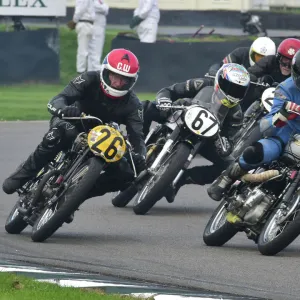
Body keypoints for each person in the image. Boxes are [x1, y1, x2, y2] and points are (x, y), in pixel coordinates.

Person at [3, 49, 146, 206]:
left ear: (132, 81)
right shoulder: (89, 78)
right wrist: (64, 109)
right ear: (105, 71)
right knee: (62, 134)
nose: (117, 83)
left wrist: (140, 158)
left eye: (124, 80)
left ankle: (76, 196)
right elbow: (59, 98)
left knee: (127, 174)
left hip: (102, 139)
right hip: (73, 121)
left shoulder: (134, 104)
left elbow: (137, 137)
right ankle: (24, 174)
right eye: (114, 76)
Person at [144, 63, 251, 203]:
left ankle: (182, 178)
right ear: (220, 81)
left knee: (229, 165)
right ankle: (138, 145)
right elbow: (171, 90)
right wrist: (163, 100)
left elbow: (230, 141)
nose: (233, 93)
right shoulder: (203, 83)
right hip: (179, 116)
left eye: (238, 90)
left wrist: (225, 144)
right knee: (146, 107)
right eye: (230, 87)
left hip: (207, 139)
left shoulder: (237, 114)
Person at [207, 49, 300, 202]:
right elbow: (266, 127)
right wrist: (282, 115)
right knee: (255, 152)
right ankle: (226, 178)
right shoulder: (285, 88)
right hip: (282, 136)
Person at [208, 36, 276, 76]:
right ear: (251, 51)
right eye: (257, 57)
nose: (259, 61)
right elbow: (222, 67)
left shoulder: (276, 67)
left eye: (263, 59)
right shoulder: (240, 53)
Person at [68, 0, 95, 74]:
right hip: (87, 23)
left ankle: (82, 71)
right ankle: (85, 71)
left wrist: (74, 21)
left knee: (83, 50)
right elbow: (82, 8)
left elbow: (80, 9)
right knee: (86, 50)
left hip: (85, 23)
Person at [88, 0, 109, 71]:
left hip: (100, 26)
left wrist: (104, 7)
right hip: (95, 26)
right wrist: (104, 8)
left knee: (97, 51)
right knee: (94, 51)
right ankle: (95, 70)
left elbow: (106, 8)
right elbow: (101, 8)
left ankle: (92, 70)